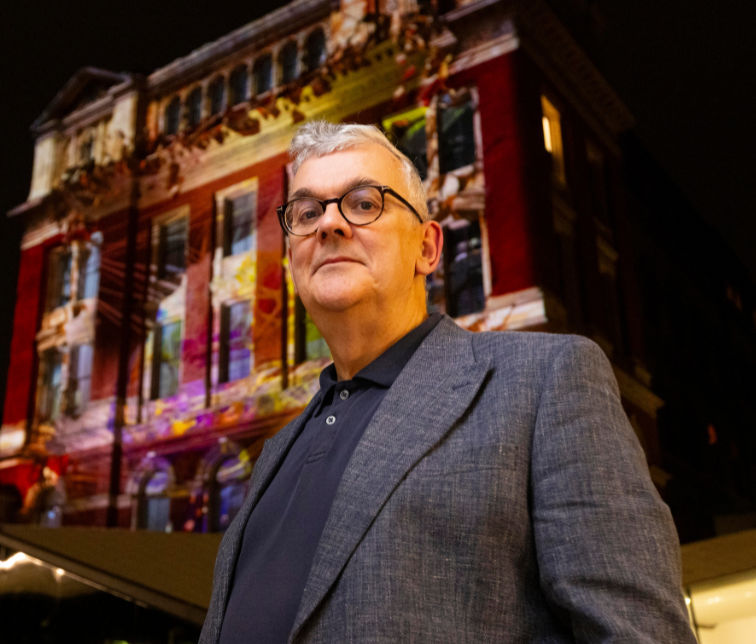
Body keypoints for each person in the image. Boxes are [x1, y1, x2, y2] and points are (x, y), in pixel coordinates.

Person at [200, 122, 694, 643]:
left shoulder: (544, 381)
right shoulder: (276, 451)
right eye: (306, 212)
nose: (329, 225)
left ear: (428, 248)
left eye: (364, 203)